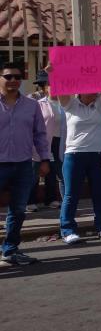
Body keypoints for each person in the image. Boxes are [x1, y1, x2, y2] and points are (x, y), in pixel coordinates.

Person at [48, 71, 101, 244]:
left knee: (99, 193)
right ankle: (68, 230)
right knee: (71, 194)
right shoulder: (70, 103)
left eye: (96, 87)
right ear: (81, 89)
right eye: (90, 87)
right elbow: (58, 88)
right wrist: (53, 72)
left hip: (98, 154)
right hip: (74, 154)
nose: (94, 91)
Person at [0, 62, 50, 265]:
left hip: (23, 165)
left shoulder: (32, 105)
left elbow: (39, 134)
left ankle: (10, 250)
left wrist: (45, 159)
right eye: (8, 77)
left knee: (19, 210)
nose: (13, 81)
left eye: (17, 77)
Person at [28, 72, 65, 210]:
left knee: (54, 171)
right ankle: (30, 201)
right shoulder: (38, 104)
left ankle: (51, 199)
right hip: (41, 141)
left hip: (59, 141)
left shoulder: (65, 103)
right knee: (35, 171)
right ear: (44, 88)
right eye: (50, 84)